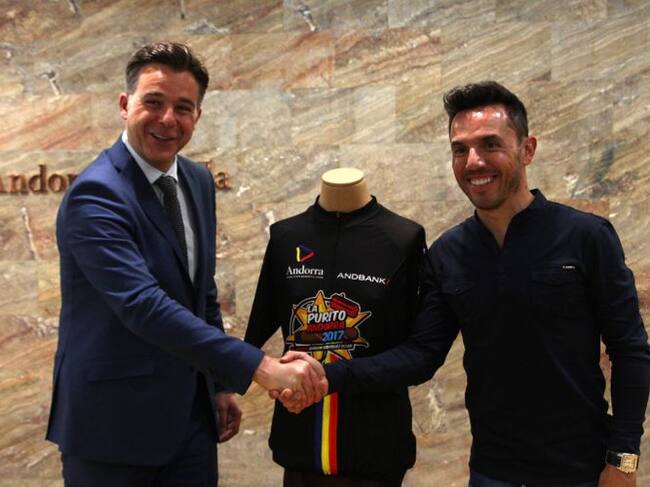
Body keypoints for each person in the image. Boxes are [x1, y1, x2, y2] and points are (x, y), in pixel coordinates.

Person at [281, 81, 650, 487]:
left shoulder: (586, 236)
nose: (474, 161)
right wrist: (327, 375)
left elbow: (630, 350)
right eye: (460, 149)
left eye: (490, 144)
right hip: (491, 471)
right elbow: (422, 355)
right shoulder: (448, 253)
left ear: (527, 149)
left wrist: (623, 460)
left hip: (581, 471)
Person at [46, 41, 326, 487]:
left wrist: (218, 384)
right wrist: (261, 367)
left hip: (190, 424)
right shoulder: (95, 195)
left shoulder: (196, 180)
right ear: (125, 104)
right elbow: (143, 305)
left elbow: (200, 292)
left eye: (183, 107)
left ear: (198, 115)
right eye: (153, 102)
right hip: (111, 429)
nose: (167, 119)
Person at [245, 168, 426, 486]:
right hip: (299, 438)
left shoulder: (403, 238)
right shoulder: (286, 237)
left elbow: (418, 351)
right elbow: (256, 331)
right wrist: (222, 388)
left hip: (376, 443)